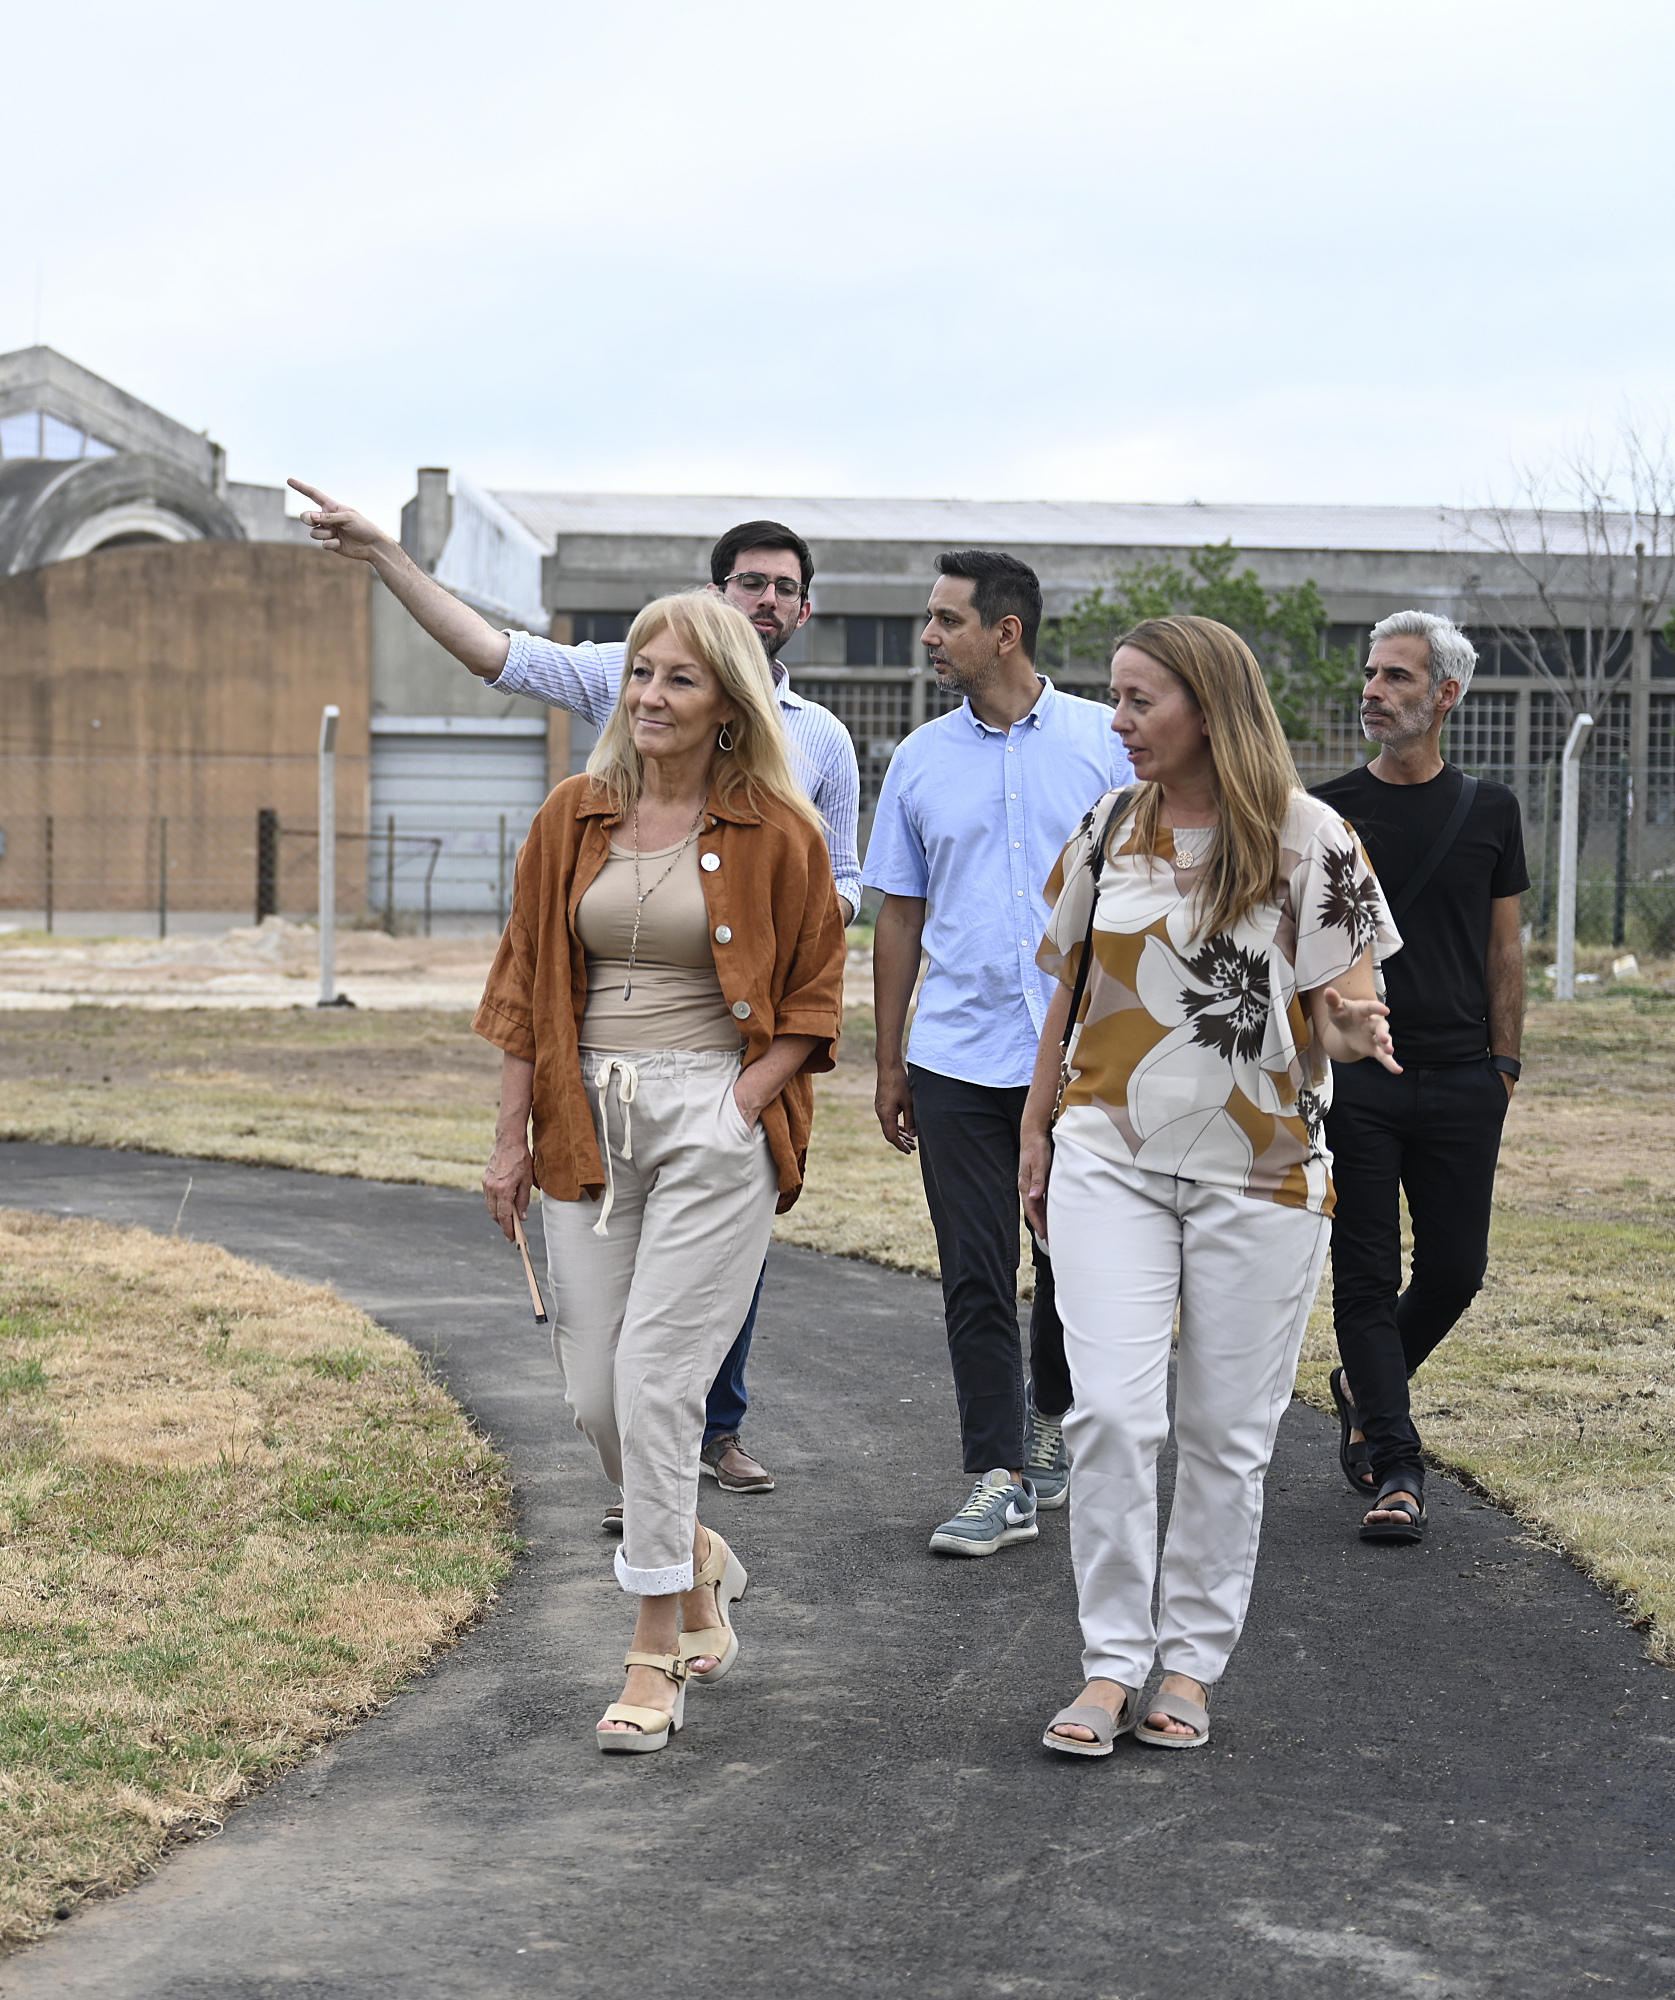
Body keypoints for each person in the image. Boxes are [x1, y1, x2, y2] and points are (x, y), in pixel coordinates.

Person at [296, 478, 857, 1505]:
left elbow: (834, 917)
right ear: (716, 589)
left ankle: (683, 1526)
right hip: (593, 1099)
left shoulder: (816, 752)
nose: (764, 599)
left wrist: (744, 1097)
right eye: (748, 582)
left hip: (718, 1087)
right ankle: (682, 1534)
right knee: (607, 1387)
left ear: (802, 610)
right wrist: (385, 554)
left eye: (783, 587)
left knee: (665, 1364)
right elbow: (492, 652)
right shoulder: (601, 742)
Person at [1018, 615, 1399, 1757]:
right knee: (1115, 1416)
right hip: (1108, 1154)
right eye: (1118, 699)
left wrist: (1346, 1019)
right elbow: (1071, 988)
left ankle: (1188, 1660)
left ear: (1208, 706)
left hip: (1262, 1172)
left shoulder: (1308, 835)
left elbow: (1343, 1002)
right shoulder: (1107, 828)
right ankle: (1108, 1661)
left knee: (1228, 1432)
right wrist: (1036, 1126)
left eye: (1141, 700)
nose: (1121, 721)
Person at [476, 591, 845, 1755]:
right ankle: (694, 1556)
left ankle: (653, 1652)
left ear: (728, 700)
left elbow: (816, 999)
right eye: (641, 673)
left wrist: (742, 1104)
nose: (649, 696)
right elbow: (526, 986)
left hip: (709, 1121)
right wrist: (509, 1136)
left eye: (679, 678)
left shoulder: (782, 829)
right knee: (595, 1394)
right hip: (584, 1120)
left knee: (657, 1383)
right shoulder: (573, 815)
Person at [865, 551, 1139, 1557]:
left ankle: (1048, 1411)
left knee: (1073, 1261)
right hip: (957, 1057)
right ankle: (1000, 1474)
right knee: (974, 1267)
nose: (929, 635)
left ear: (1005, 630)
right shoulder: (919, 759)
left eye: (945, 619)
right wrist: (889, 1059)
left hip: (1084, 1058)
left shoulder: (1103, 745)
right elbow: (900, 915)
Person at [1313, 612, 1525, 1545]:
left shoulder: (1491, 811)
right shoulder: (1323, 812)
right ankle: (1398, 1468)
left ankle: (1363, 1381)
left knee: (1454, 1269)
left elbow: (1504, 946)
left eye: (1397, 677)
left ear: (1445, 695)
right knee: (1363, 1275)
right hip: (1359, 1078)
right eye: (1371, 673)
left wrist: (1506, 1065)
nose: (1374, 690)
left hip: (1462, 1076)